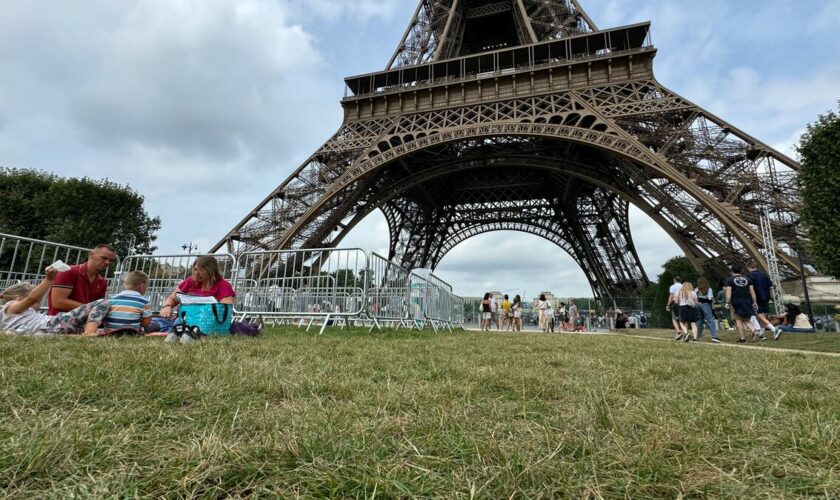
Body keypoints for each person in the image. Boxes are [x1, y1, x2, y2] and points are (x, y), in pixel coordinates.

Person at [1, 266, 110, 335]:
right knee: (102, 303)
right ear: (19, 299)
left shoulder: (12, 316)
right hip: (51, 325)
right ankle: (89, 333)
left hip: (48, 328)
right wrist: (49, 280)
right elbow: (31, 298)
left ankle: (91, 331)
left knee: (64, 316)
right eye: (38, 301)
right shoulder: (11, 307)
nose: (39, 300)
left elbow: (31, 299)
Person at [48, 244, 117, 315]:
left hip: (84, 321)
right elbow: (58, 302)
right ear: (91, 254)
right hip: (59, 320)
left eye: (111, 260)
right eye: (104, 258)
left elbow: (96, 307)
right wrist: (91, 309)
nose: (107, 262)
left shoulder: (102, 282)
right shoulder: (68, 272)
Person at [159, 256, 235, 319]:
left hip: (209, 321)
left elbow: (225, 309)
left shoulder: (223, 285)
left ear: (211, 270)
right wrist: (167, 306)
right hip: (185, 318)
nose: (196, 273)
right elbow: (173, 298)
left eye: (201, 270)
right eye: (195, 269)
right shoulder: (190, 281)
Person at [98, 271, 153, 335]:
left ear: (124, 285)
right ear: (142, 286)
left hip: (109, 332)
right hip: (132, 333)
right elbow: (147, 322)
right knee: (155, 325)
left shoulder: (111, 299)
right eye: (147, 286)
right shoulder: (144, 301)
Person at [746, 262, 779, 340]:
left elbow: (750, 288)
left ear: (748, 267)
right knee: (763, 316)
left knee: (759, 315)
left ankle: (774, 329)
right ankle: (762, 334)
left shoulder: (749, 276)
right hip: (766, 297)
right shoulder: (764, 275)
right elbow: (771, 286)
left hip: (757, 298)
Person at [725, 267, 758, 343]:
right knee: (746, 319)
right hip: (747, 300)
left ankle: (742, 338)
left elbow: (728, 292)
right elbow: (752, 292)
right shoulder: (748, 279)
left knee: (738, 320)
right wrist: (754, 302)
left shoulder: (730, 280)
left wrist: (727, 302)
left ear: (732, 272)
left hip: (736, 300)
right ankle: (754, 330)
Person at [695, 277, 721, 343]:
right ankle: (714, 337)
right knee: (710, 320)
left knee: (699, 321)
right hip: (706, 304)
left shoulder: (696, 289)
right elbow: (710, 298)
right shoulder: (709, 289)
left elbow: (694, 297)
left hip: (697, 305)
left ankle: (697, 336)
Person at [665, 276, 684, 340]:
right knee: (683, 318)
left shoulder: (672, 287)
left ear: (674, 280)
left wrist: (668, 304)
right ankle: (685, 332)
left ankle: (678, 332)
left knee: (674, 318)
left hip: (675, 303)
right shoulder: (683, 286)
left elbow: (671, 296)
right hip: (683, 303)